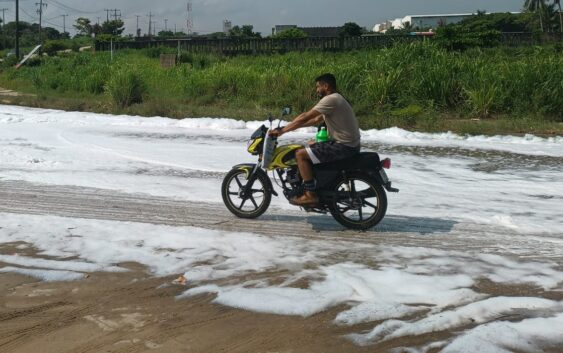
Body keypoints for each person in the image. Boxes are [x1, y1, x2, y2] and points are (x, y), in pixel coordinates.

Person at [269, 73, 361, 206]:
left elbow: (306, 116)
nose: (317, 90)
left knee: (300, 154)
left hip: (343, 146)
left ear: (326, 86)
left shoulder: (331, 99)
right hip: (348, 144)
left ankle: (310, 195)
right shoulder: (338, 99)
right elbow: (314, 120)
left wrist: (282, 131)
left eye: (318, 87)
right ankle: (315, 184)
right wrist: (288, 127)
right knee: (309, 146)